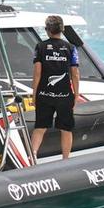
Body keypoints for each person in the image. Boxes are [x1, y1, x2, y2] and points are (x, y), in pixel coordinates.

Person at [30, 15, 80, 159]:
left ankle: (33, 157)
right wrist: (76, 94)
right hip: (64, 95)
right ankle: (65, 159)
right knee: (66, 129)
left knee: (40, 127)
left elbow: (37, 73)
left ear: (47, 30)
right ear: (62, 29)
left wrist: (34, 95)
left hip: (44, 95)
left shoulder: (40, 47)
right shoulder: (71, 48)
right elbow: (75, 73)